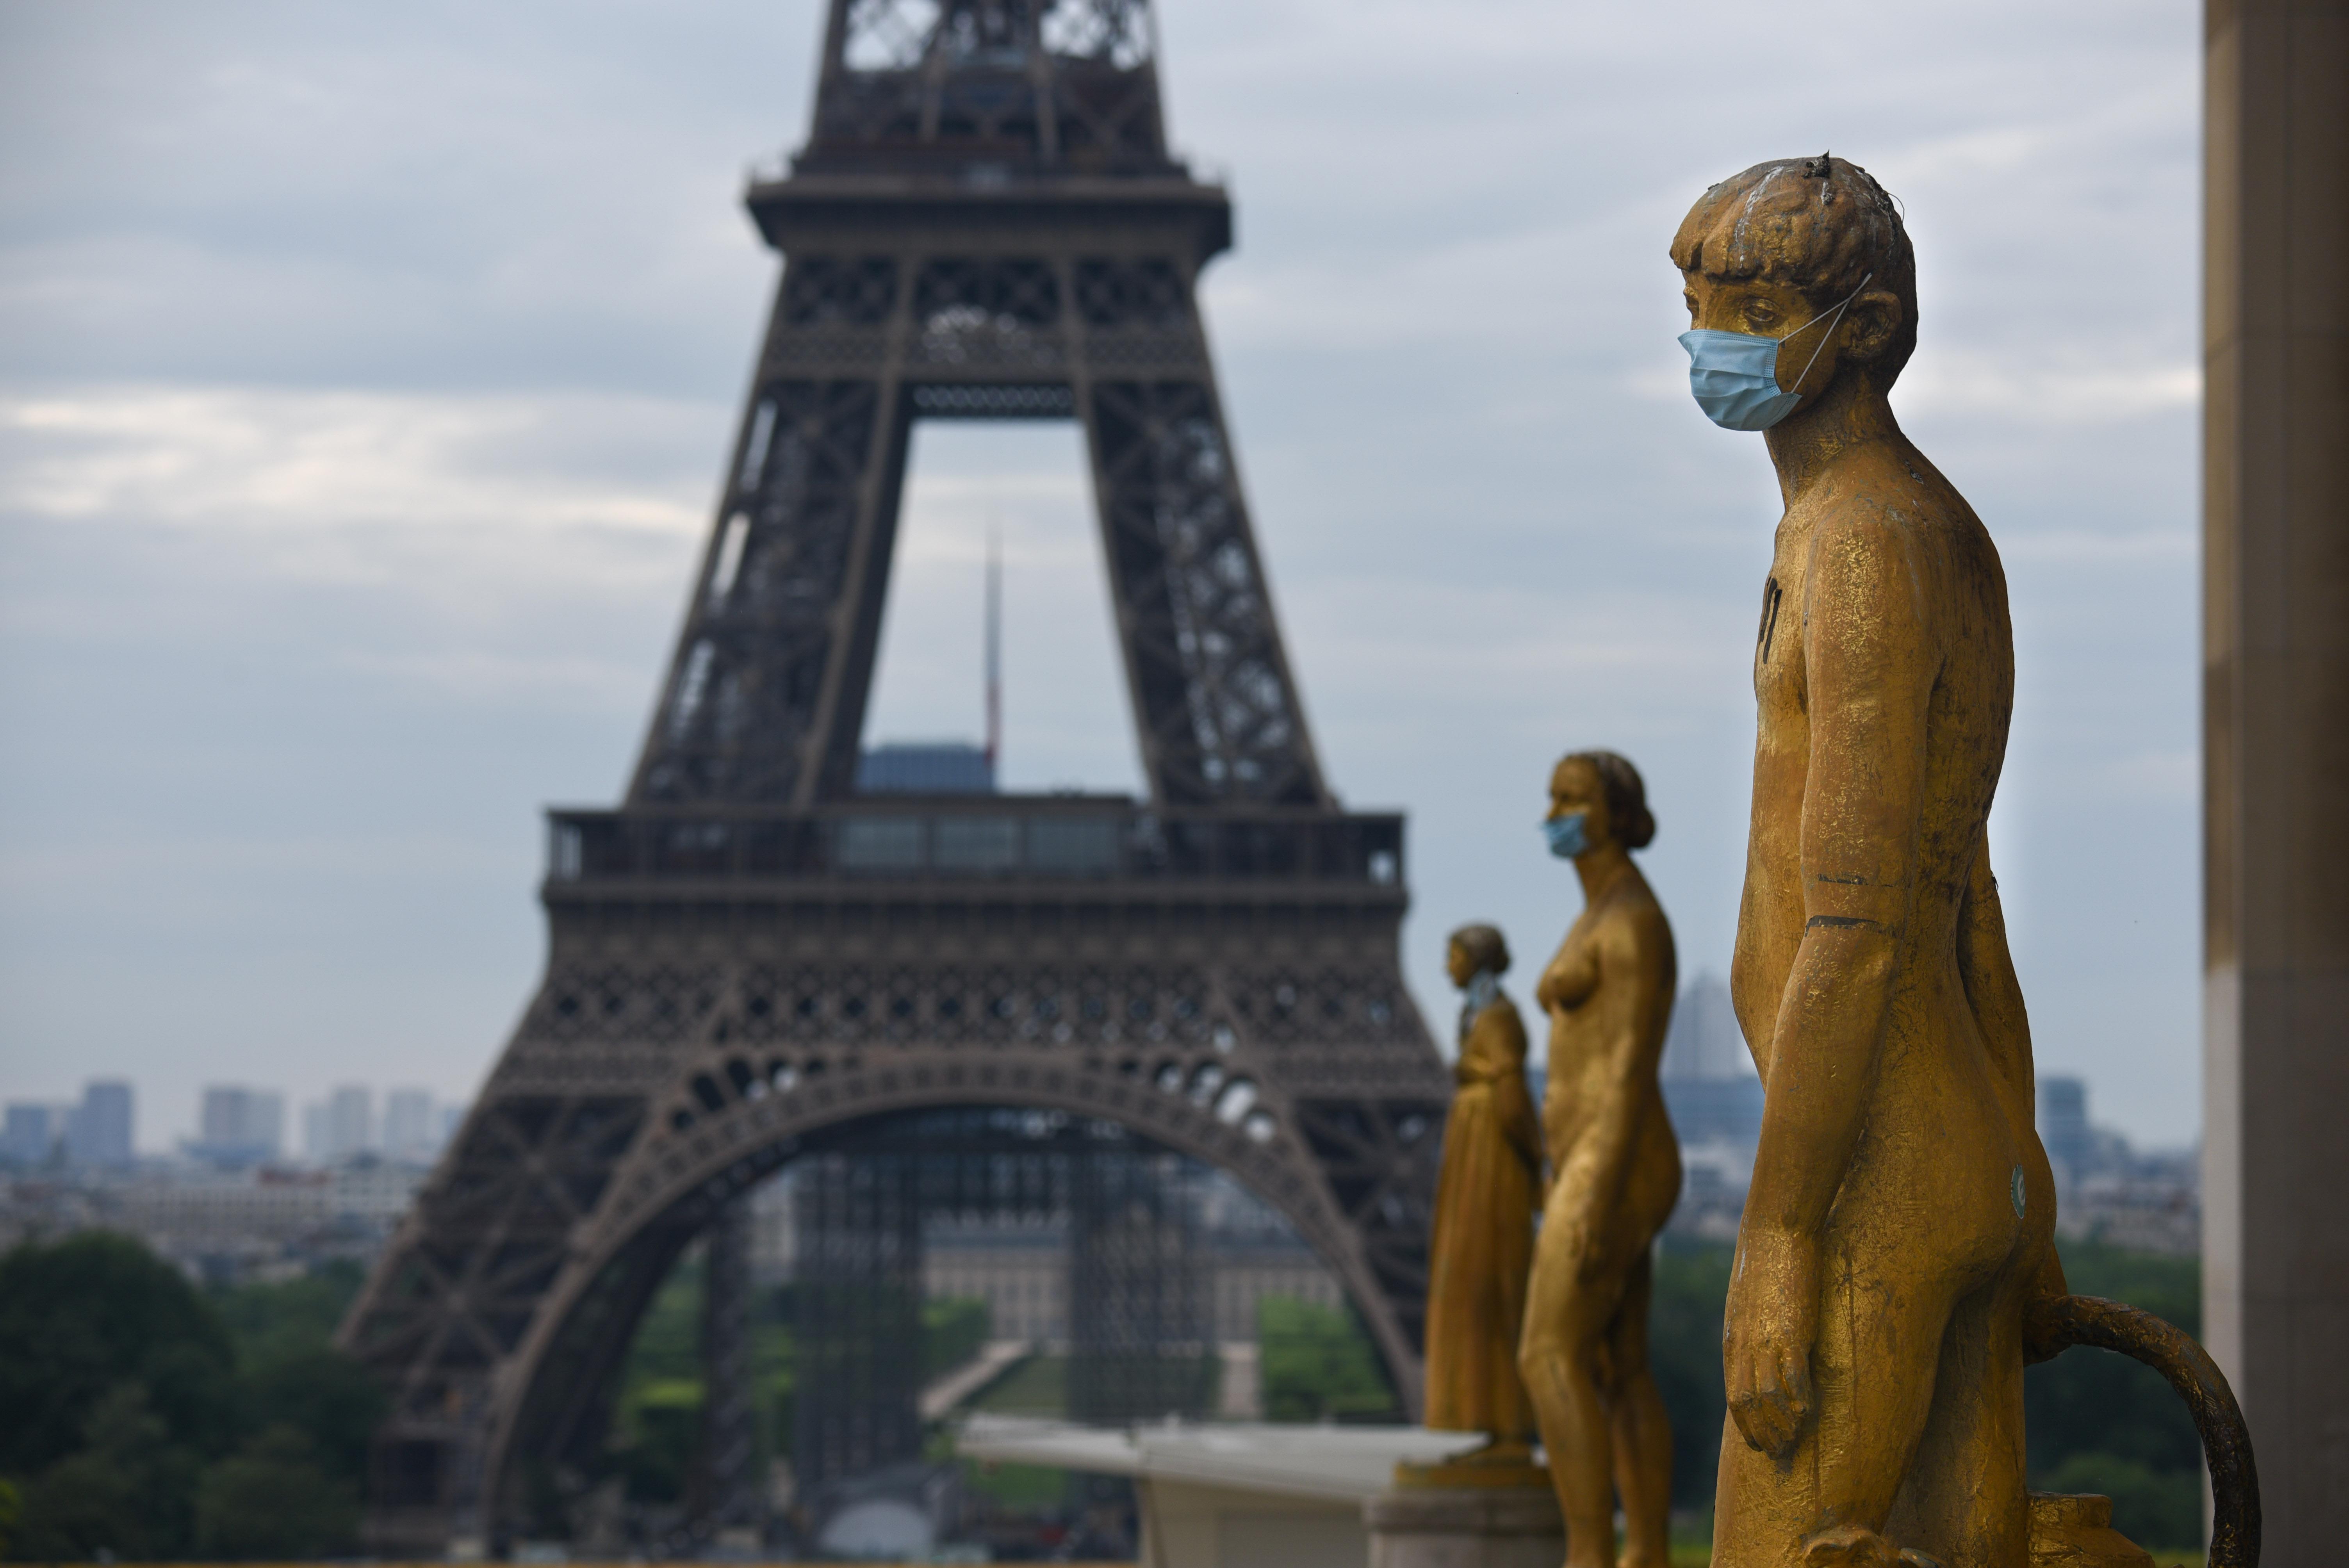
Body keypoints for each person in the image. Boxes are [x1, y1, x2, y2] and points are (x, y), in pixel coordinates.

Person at [1672, 156, 2065, 1568]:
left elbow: (1854, 927)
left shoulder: (1856, 549)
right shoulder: (1926, 529)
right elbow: (1969, 904)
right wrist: (2020, 1172)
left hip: (1861, 1183)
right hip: (1946, 1151)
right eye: (1696, 298)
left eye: (1750, 302)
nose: (1710, 332)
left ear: (1867, 327)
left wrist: (1777, 1234)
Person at [1518, 750, 1680, 1568]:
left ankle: (1588, 1552)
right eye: (1551, 795)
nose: (1554, 810)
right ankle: (1643, 1552)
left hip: (1615, 1159)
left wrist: (1592, 1190)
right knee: (1617, 1364)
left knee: (1545, 1353)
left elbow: (1626, 1068)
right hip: (1590, 1158)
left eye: (1572, 798)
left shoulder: (1630, 923)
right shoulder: (1599, 912)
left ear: (1614, 812)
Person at [1421, 922, 1542, 1456]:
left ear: (1476, 960)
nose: (1447, 966)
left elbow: (1513, 1097)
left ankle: (1509, 1425)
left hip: (1490, 1168)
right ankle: (1495, 1420)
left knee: (1490, 1284)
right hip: (1480, 1161)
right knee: (1479, 1286)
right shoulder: (1482, 1014)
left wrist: (1537, 1160)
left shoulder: (1496, 1018)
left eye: (1452, 956)